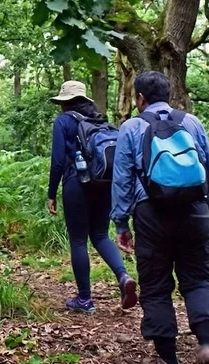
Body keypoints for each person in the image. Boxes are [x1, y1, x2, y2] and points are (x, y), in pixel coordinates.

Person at [111, 71, 209, 364]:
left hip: (151, 214)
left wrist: (121, 223)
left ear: (140, 98)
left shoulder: (131, 127)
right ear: (168, 94)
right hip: (194, 209)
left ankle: (168, 356)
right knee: (199, 279)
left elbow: (122, 179)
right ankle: (207, 344)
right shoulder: (191, 122)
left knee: (155, 284)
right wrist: (204, 206)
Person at [46, 80, 137, 313]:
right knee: (100, 234)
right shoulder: (100, 121)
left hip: (76, 183)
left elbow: (58, 161)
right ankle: (123, 276)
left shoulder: (63, 121)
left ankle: (85, 299)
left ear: (65, 102)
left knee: (78, 240)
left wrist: (51, 193)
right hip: (104, 184)